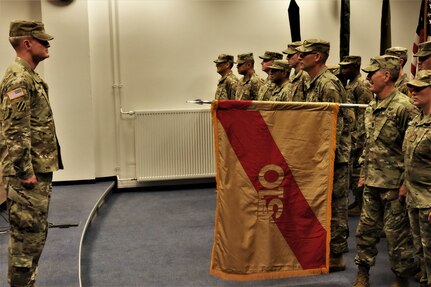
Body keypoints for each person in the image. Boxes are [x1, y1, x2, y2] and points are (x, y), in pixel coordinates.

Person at [0, 20, 63, 287]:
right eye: (41, 40)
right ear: (27, 43)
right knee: (26, 242)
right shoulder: (19, 78)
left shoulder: (29, 76)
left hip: (35, 172)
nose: (47, 44)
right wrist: (25, 173)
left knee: (34, 237)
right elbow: (15, 130)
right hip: (27, 177)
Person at [353, 55, 418, 287]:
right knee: (365, 232)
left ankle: (401, 276)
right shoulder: (371, 107)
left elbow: (412, 148)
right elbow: (370, 144)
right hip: (371, 182)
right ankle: (362, 274)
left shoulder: (405, 107)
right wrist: (362, 175)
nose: (368, 78)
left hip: (394, 185)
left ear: (387, 76)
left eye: (372, 74)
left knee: (396, 236)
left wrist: (405, 184)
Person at [297, 38, 354, 271]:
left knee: (336, 205)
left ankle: (337, 255)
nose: (299, 57)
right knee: (321, 203)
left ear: (317, 57)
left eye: (304, 54)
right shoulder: (312, 81)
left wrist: (322, 155)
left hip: (333, 157)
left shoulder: (328, 84)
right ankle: (322, 248)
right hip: (318, 155)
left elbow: (334, 126)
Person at [402, 70, 431, 287]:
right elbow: (409, 158)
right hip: (414, 196)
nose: (413, 92)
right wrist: (404, 183)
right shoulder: (417, 120)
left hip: (429, 199)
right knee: (420, 250)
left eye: (419, 88)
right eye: (412, 88)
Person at [338, 56, 373, 217]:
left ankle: (361, 205)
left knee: (357, 172)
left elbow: (363, 113)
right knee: (352, 172)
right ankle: (357, 202)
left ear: (355, 67)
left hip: (358, 136)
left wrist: (359, 138)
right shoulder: (349, 84)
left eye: (346, 68)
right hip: (350, 134)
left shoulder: (361, 85)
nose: (343, 71)